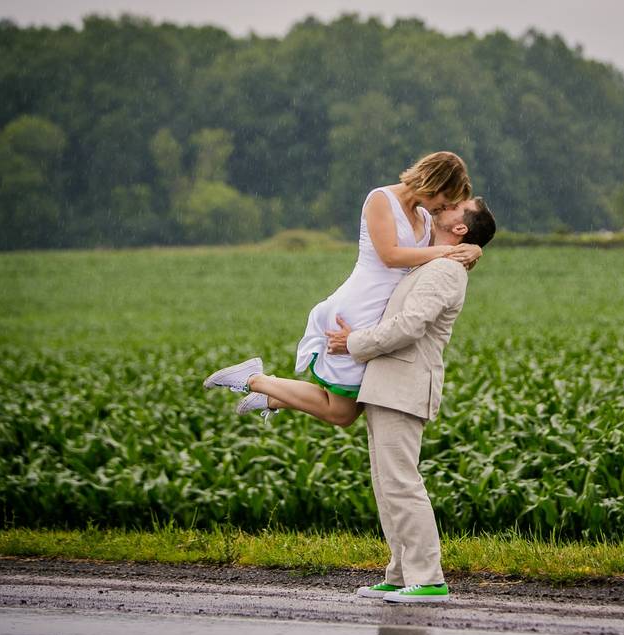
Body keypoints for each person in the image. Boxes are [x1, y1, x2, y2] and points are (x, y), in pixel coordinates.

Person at [203, 152, 482, 426]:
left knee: (345, 413)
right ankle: (256, 381)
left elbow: (449, 241)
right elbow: (390, 255)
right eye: (447, 199)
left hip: (381, 313)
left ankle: (268, 393)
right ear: (435, 183)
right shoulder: (381, 200)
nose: (444, 208)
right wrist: (446, 251)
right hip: (360, 307)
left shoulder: (422, 214)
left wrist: (473, 247)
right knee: (341, 412)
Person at [326, 198, 497, 604]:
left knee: (402, 483)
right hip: (387, 383)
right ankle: (401, 573)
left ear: (461, 229)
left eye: (458, 206)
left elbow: (410, 325)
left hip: (404, 384)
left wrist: (353, 344)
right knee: (387, 485)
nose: (447, 205)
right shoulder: (433, 258)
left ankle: (429, 578)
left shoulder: (445, 270)